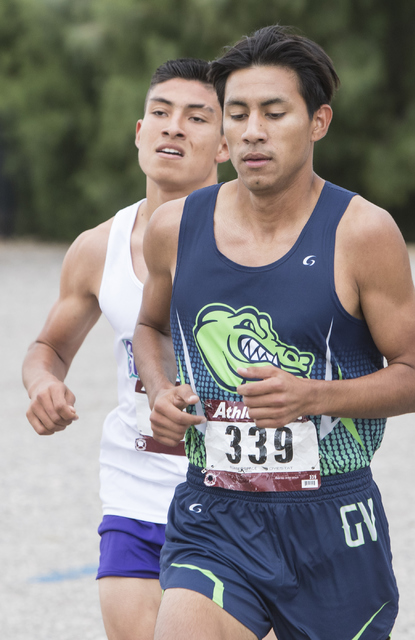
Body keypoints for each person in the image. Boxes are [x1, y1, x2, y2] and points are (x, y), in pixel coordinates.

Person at [133, 26, 415, 640]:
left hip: (331, 518)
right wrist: (161, 389)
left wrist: (314, 396)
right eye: (237, 114)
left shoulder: (363, 233)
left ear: (318, 121)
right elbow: (149, 326)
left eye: (274, 113)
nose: (252, 131)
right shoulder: (175, 227)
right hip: (214, 511)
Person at [22, 58, 230, 640]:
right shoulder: (97, 247)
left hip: (239, 497)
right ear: (139, 133)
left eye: (196, 117)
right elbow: (48, 347)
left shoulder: (259, 244)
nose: (173, 127)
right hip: (134, 488)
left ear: (225, 145)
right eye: (160, 113)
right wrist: (43, 383)